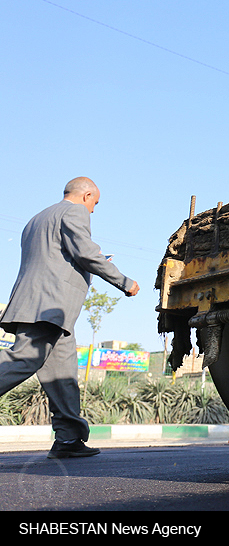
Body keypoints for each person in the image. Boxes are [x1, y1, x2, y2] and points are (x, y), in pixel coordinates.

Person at [0, 177, 139, 459]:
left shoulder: (36, 219)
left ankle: (68, 439)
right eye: (94, 203)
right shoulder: (73, 212)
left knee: (63, 375)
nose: (93, 211)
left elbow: (56, 258)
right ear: (86, 195)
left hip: (49, 307)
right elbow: (85, 254)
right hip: (48, 305)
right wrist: (124, 281)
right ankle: (68, 438)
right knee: (25, 358)